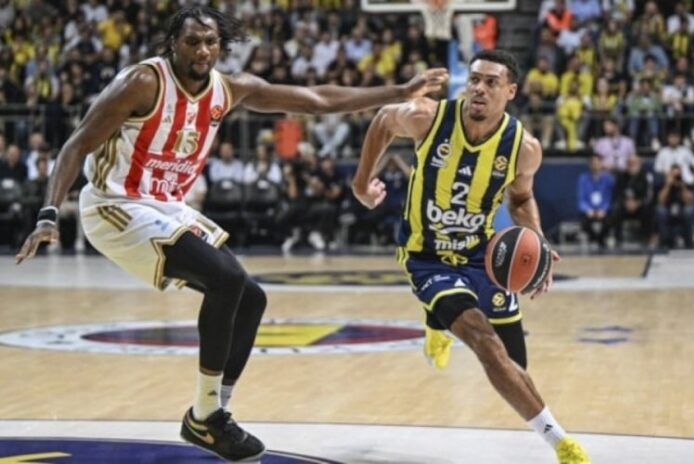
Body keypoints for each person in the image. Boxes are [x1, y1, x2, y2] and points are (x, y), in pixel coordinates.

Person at [14, 6, 448, 462]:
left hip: (166, 206)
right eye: (192, 42)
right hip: (114, 205)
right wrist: (48, 213)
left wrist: (398, 92)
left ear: (221, 46)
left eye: (210, 42)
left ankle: (212, 413)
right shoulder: (143, 83)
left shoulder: (230, 88)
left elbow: (317, 99)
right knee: (226, 280)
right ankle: (205, 416)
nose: (202, 51)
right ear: (173, 44)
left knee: (251, 298)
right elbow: (77, 143)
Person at [351, 49, 590, 463]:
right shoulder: (428, 117)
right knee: (483, 341)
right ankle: (562, 443)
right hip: (427, 255)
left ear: (510, 91)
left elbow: (521, 198)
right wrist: (361, 183)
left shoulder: (523, 148)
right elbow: (384, 119)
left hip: (481, 252)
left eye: (491, 82)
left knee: (515, 361)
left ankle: (435, 321)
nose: (479, 88)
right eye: (474, 79)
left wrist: (538, 242)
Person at [577, 154, 614, 249]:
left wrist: (604, 209)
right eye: (593, 163)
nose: (595, 165)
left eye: (597, 163)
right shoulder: (583, 179)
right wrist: (588, 209)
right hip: (589, 210)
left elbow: (609, 197)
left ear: (601, 164)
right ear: (590, 165)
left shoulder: (608, 179)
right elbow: (581, 198)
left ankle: (601, 240)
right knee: (584, 220)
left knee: (609, 219)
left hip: (603, 210)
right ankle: (593, 239)